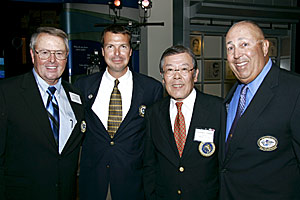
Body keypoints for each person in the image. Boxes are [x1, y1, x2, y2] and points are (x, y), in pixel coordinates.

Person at [74, 24, 163, 200]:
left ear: (130, 51)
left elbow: (155, 140)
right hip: (93, 183)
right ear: (102, 51)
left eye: (123, 46)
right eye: (110, 47)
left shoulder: (151, 89)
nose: (117, 54)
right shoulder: (82, 86)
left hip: (133, 184)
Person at [0, 27, 85, 200]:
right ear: (33, 55)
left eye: (59, 53)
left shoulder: (76, 97)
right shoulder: (7, 93)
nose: (52, 60)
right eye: (44, 52)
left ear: (66, 57)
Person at [220, 20, 300, 199]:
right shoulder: (233, 95)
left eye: (244, 44)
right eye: (230, 48)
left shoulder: (294, 91)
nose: (236, 54)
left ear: (264, 47)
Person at [143, 45, 222, 199]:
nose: (177, 76)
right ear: (163, 76)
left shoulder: (218, 109)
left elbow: (225, 165)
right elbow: (149, 164)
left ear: (196, 75)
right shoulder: (153, 113)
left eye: (184, 69)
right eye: (170, 70)